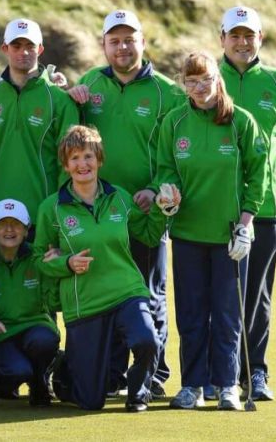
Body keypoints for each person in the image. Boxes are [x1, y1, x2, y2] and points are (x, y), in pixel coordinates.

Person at [67, 9, 185, 399]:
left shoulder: (167, 92)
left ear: (142, 42)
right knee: (109, 292)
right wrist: (67, 94)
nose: (122, 46)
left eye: (129, 39)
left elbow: (175, 156)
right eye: (114, 40)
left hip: (143, 211)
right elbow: (74, 141)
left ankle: (152, 373)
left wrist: (156, 189)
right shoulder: (89, 84)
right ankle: (115, 373)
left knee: (149, 293)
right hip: (98, 214)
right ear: (103, 45)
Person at [154, 51, 267, 411]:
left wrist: (247, 225)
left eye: (205, 80)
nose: (199, 88)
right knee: (191, 313)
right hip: (187, 234)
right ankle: (192, 386)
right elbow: (164, 169)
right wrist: (167, 196)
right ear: (183, 84)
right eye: (191, 81)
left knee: (227, 315)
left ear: (218, 79)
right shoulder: (174, 122)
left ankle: (227, 384)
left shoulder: (240, 122)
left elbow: (257, 176)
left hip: (229, 237)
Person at [33, 125, 172, 412]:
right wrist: (67, 263)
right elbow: (38, 259)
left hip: (125, 290)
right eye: (74, 158)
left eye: (88, 156)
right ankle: (64, 367)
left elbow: (146, 234)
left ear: (99, 159)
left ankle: (138, 393)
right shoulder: (52, 208)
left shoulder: (119, 196)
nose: (82, 164)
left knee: (147, 339)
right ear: (65, 164)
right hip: (84, 302)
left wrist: (161, 210)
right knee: (89, 401)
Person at [219, 6, 276, 401]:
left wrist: (265, 185)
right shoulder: (209, 80)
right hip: (213, 207)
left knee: (258, 296)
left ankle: (256, 374)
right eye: (234, 35)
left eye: (248, 35)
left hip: (265, 210)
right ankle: (221, 375)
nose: (241, 42)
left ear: (260, 38)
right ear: (222, 39)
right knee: (216, 295)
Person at [0, 18, 79, 226]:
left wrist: (60, 212)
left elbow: (70, 163)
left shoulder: (60, 100)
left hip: (41, 215)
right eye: (16, 46)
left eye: (30, 46)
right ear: (5, 48)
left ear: (40, 49)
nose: (23, 52)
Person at [0, 199, 60, 407]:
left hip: (35, 328)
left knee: (45, 341)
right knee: (16, 371)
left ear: (26, 229)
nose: (10, 230)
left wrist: (56, 268)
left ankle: (39, 382)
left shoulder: (38, 257)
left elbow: (55, 302)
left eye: (17, 224)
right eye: (3, 224)